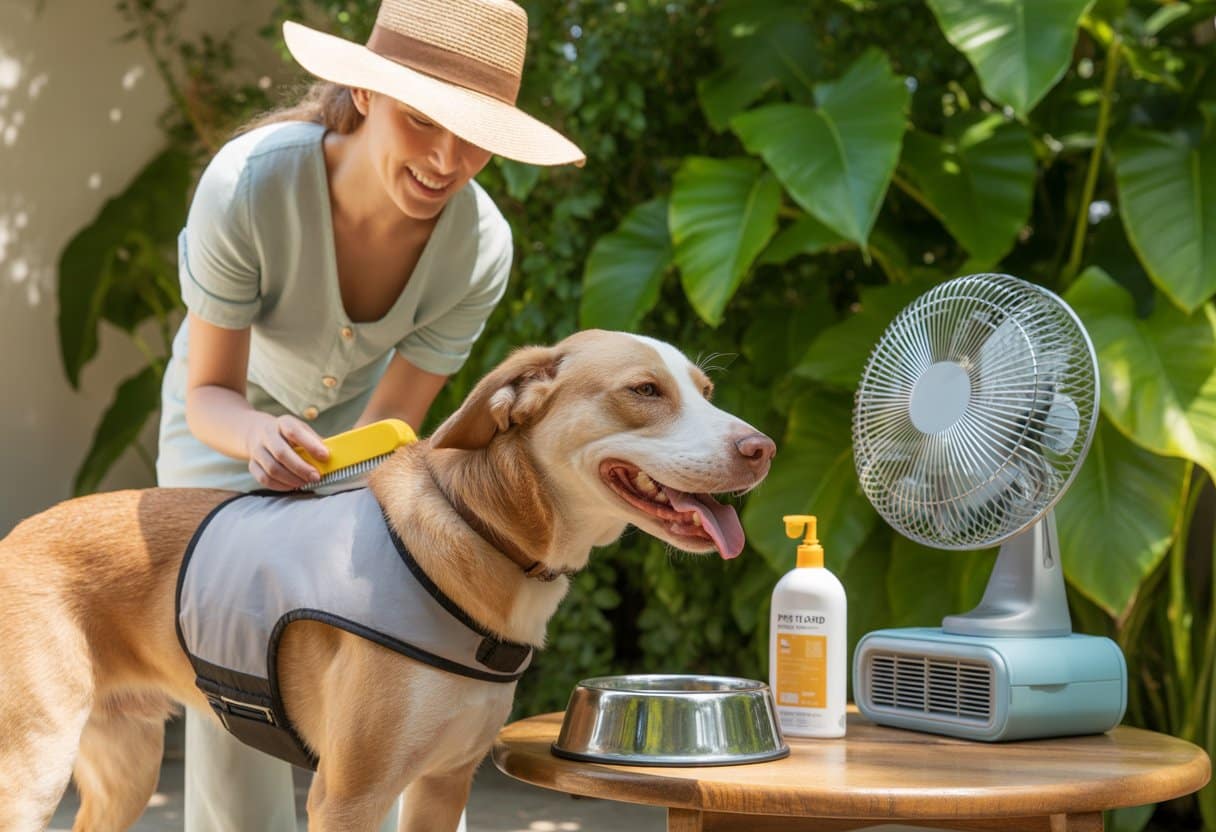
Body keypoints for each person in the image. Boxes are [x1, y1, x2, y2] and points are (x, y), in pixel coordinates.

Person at [154, 0, 584, 828]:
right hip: (224, 429)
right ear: (362, 92)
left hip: (368, 452)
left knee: (392, 646)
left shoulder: (480, 247)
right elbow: (210, 392)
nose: (448, 159)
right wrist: (259, 441)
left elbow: (394, 432)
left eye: (474, 135)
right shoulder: (247, 184)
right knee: (230, 669)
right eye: (423, 120)